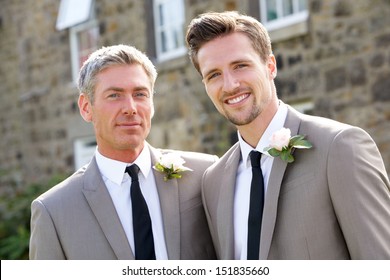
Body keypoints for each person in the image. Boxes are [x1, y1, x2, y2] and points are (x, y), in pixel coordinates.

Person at [185, 11, 390, 259]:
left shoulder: (339, 148)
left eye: (240, 66)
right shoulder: (213, 182)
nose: (229, 85)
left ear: (270, 66)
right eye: (214, 74)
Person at [29, 44, 217, 260]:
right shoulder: (53, 211)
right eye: (114, 96)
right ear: (86, 107)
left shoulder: (205, 175)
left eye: (140, 94)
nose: (130, 108)